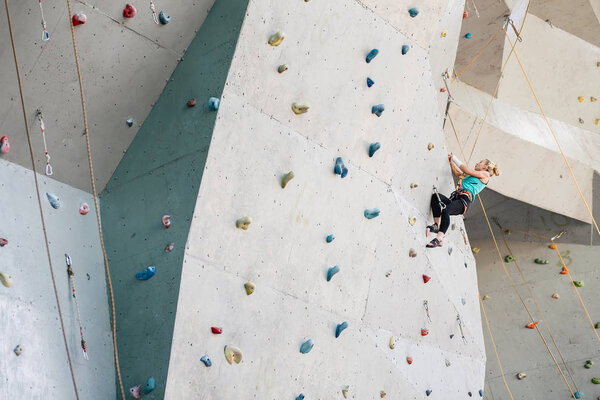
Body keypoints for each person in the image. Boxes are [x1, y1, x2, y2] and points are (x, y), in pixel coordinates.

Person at [425, 154, 500, 248]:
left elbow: (466, 170)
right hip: (455, 199)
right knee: (436, 197)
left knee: (446, 210)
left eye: (480, 162)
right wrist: (451, 163)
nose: (477, 163)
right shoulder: (472, 176)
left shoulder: (486, 175)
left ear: (485, 167)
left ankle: (439, 239)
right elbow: (458, 173)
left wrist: (454, 158)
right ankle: (437, 225)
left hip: (463, 201)